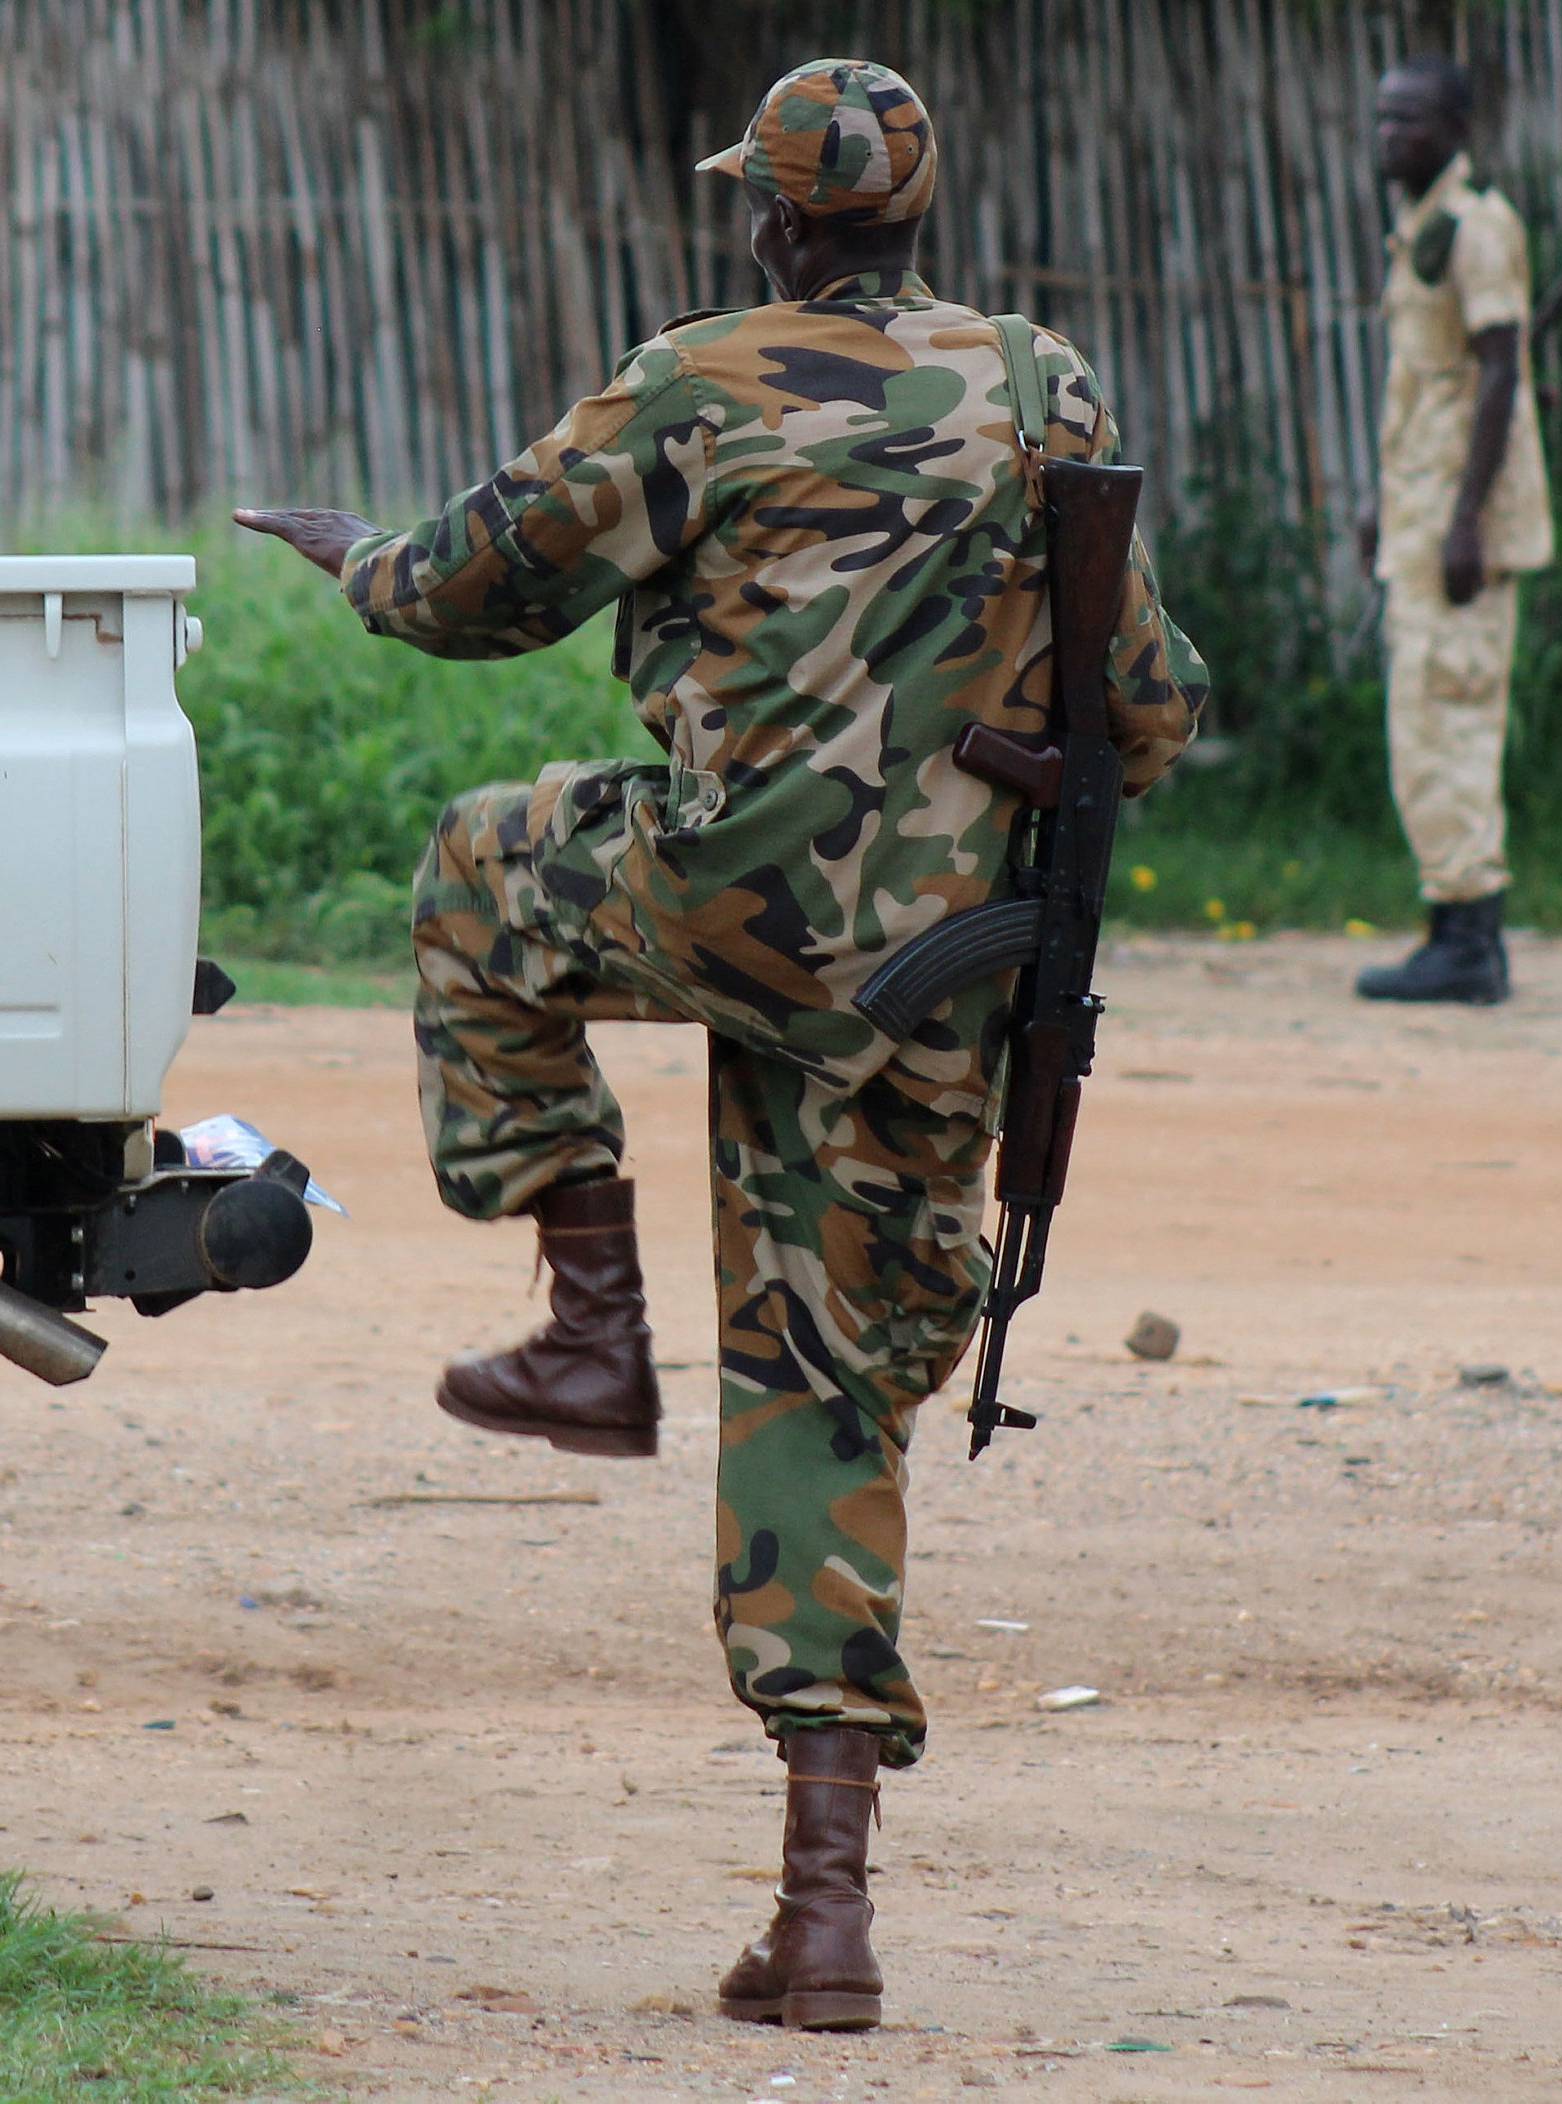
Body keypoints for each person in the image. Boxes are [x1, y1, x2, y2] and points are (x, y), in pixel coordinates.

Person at [236, 56, 1205, 2032]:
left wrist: (349, 551)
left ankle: (588, 1324)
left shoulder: (701, 373)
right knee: (827, 1383)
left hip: (728, 903)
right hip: (945, 958)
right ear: (912, 220)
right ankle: (827, 1916)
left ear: (773, 218)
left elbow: (459, 590)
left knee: (478, 874)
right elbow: (1154, 709)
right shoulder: (1045, 385)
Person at [1356, 55, 1552, 1006]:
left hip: (1458, 524)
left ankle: (1471, 942)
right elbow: (1422, 388)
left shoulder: (1478, 230)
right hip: (1423, 506)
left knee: (1453, 716)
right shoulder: (1420, 230)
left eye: (1412, 121)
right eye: (1384, 119)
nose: (1391, 135)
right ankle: (1451, 929)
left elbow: (1501, 375)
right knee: (1422, 724)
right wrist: (1381, 503)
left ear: (1456, 128)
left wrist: (1469, 519)